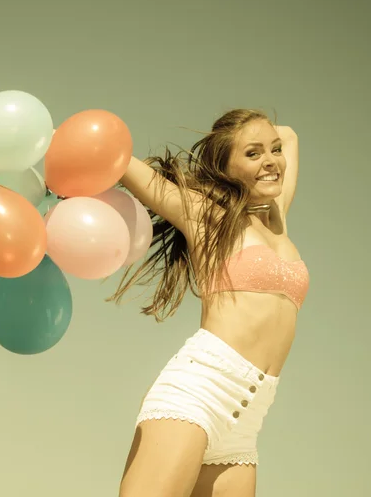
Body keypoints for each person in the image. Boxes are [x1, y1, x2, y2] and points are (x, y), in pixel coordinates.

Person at [108, 109, 309, 497]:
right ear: (225, 167)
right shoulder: (205, 216)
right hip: (200, 392)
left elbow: (290, 133)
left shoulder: (276, 216)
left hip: (247, 422)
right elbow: (122, 164)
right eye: (253, 154)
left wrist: (257, 141)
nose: (271, 161)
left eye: (274, 151)